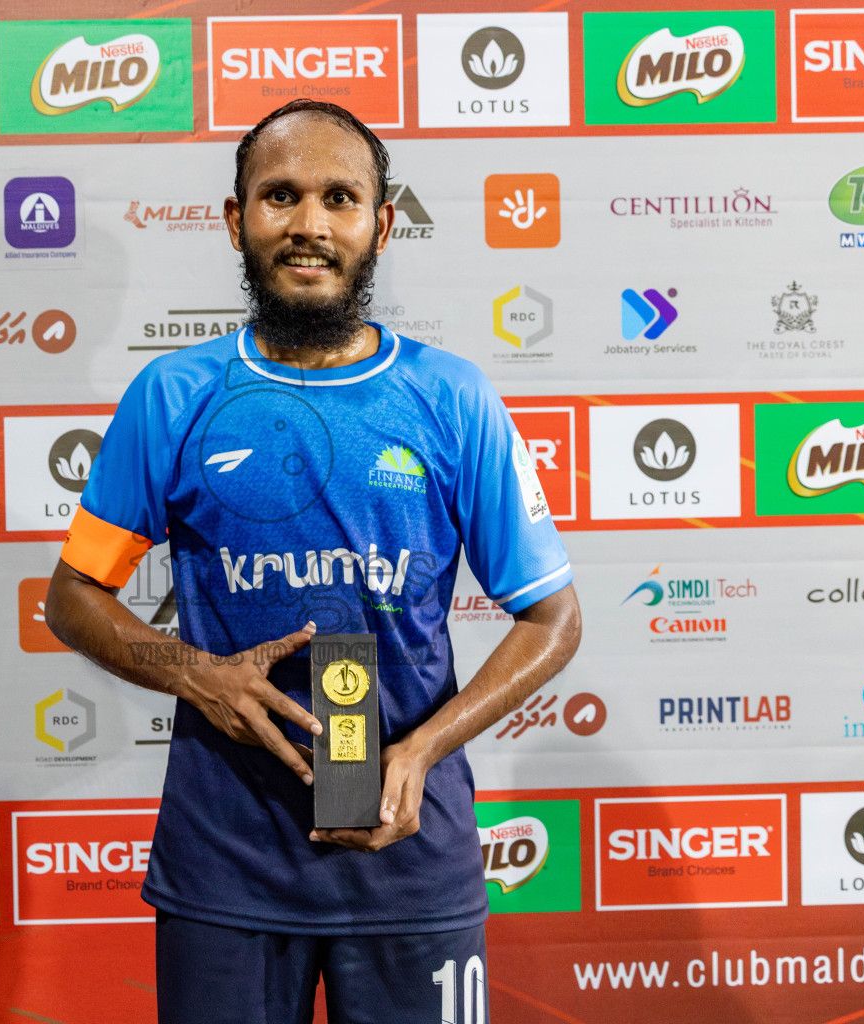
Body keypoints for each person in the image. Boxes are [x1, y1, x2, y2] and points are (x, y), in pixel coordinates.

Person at [44, 98, 581, 1023]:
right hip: (228, 867)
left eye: (339, 198)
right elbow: (73, 597)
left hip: (411, 864)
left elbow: (552, 618)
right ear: (234, 218)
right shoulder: (173, 394)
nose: (307, 224)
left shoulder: (452, 397)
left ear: (380, 223)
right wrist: (198, 674)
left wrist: (421, 751)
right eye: (279, 196)